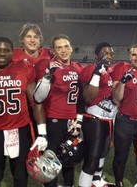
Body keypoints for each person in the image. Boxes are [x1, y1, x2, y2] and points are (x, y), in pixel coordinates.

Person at [0, 37, 46, 187]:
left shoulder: (23, 67)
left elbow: (35, 102)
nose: (2, 53)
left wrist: (42, 133)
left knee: (20, 174)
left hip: (20, 130)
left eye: (6, 50)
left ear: (13, 52)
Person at [33, 34, 83, 187]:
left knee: (70, 157)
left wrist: (79, 119)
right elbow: (38, 98)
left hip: (72, 121)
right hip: (54, 119)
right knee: (51, 160)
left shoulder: (78, 67)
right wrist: (48, 77)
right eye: (59, 47)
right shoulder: (49, 66)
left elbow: (81, 98)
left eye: (66, 46)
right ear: (53, 50)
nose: (63, 50)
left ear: (71, 48)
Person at [112, 44, 137, 187]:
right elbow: (116, 99)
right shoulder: (123, 70)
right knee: (121, 156)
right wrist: (123, 82)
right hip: (125, 121)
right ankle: (119, 182)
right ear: (130, 56)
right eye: (134, 55)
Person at [78, 42, 117, 187]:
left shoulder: (107, 70)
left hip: (106, 119)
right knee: (92, 158)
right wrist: (96, 73)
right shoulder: (90, 69)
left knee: (102, 153)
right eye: (105, 53)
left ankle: (96, 180)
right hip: (94, 120)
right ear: (96, 55)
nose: (109, 56)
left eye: (111, 53)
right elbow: (88, 97)